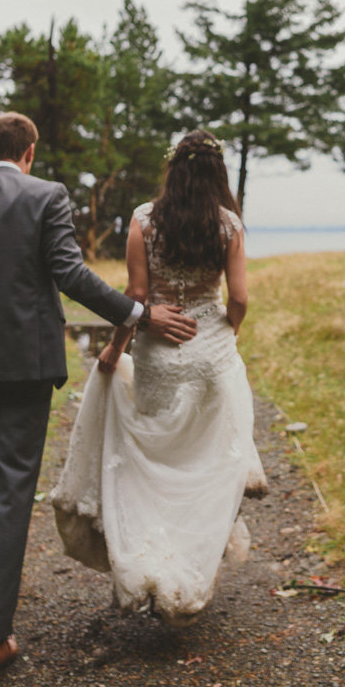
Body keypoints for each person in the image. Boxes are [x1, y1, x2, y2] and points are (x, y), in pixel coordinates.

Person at [0, 112, 198, 685]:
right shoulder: (46, 196)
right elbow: (68, 272)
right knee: (9, 484)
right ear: (28, 152)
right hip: (22, 366)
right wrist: (139, 314)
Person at [51, 129, 268, 626]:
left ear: (173, 169)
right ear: (218, 172)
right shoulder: (230, 224)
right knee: (204, 467)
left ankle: (147, 563)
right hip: (210, 359)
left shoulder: (144, 221)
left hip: (158, 358)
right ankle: (194, 566)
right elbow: (239, 299)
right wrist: (223, 334)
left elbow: (136, 294)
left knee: (152, 462)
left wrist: (114, 347)